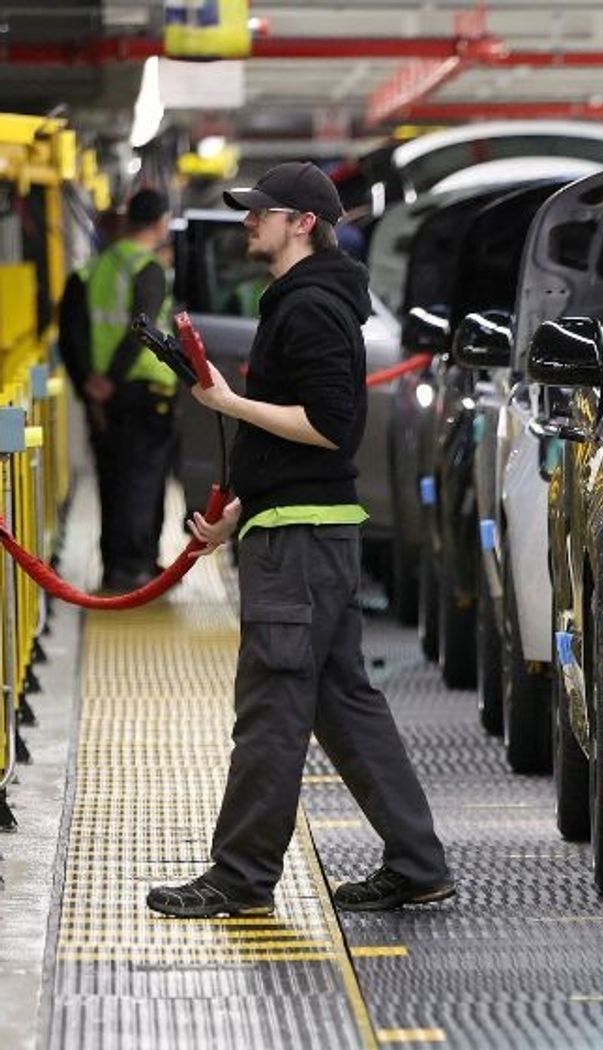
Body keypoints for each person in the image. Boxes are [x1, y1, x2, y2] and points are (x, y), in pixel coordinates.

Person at [146, 162, 455, 919]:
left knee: (272, 708)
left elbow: (327, 426)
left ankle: (241, 878)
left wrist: (228, 402)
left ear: (303, 223)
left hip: (300, 547)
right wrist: (238, 511)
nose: (249, 221)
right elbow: (294, 445)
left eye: (263, 211)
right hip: (306, 529)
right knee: (342, 704)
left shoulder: (310, 308)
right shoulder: (304, 300)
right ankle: (418, 863)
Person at [83, 189, 177, 592]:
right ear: (160, 222)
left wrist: (94, 381)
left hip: (107, 392)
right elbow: (142, 331)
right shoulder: (148, 267)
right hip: (143, 386)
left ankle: (117, 563)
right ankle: (135, 566)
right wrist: (113, 377)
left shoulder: (100, 264)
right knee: (144, 478)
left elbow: (85, 325)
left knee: (115, 478)